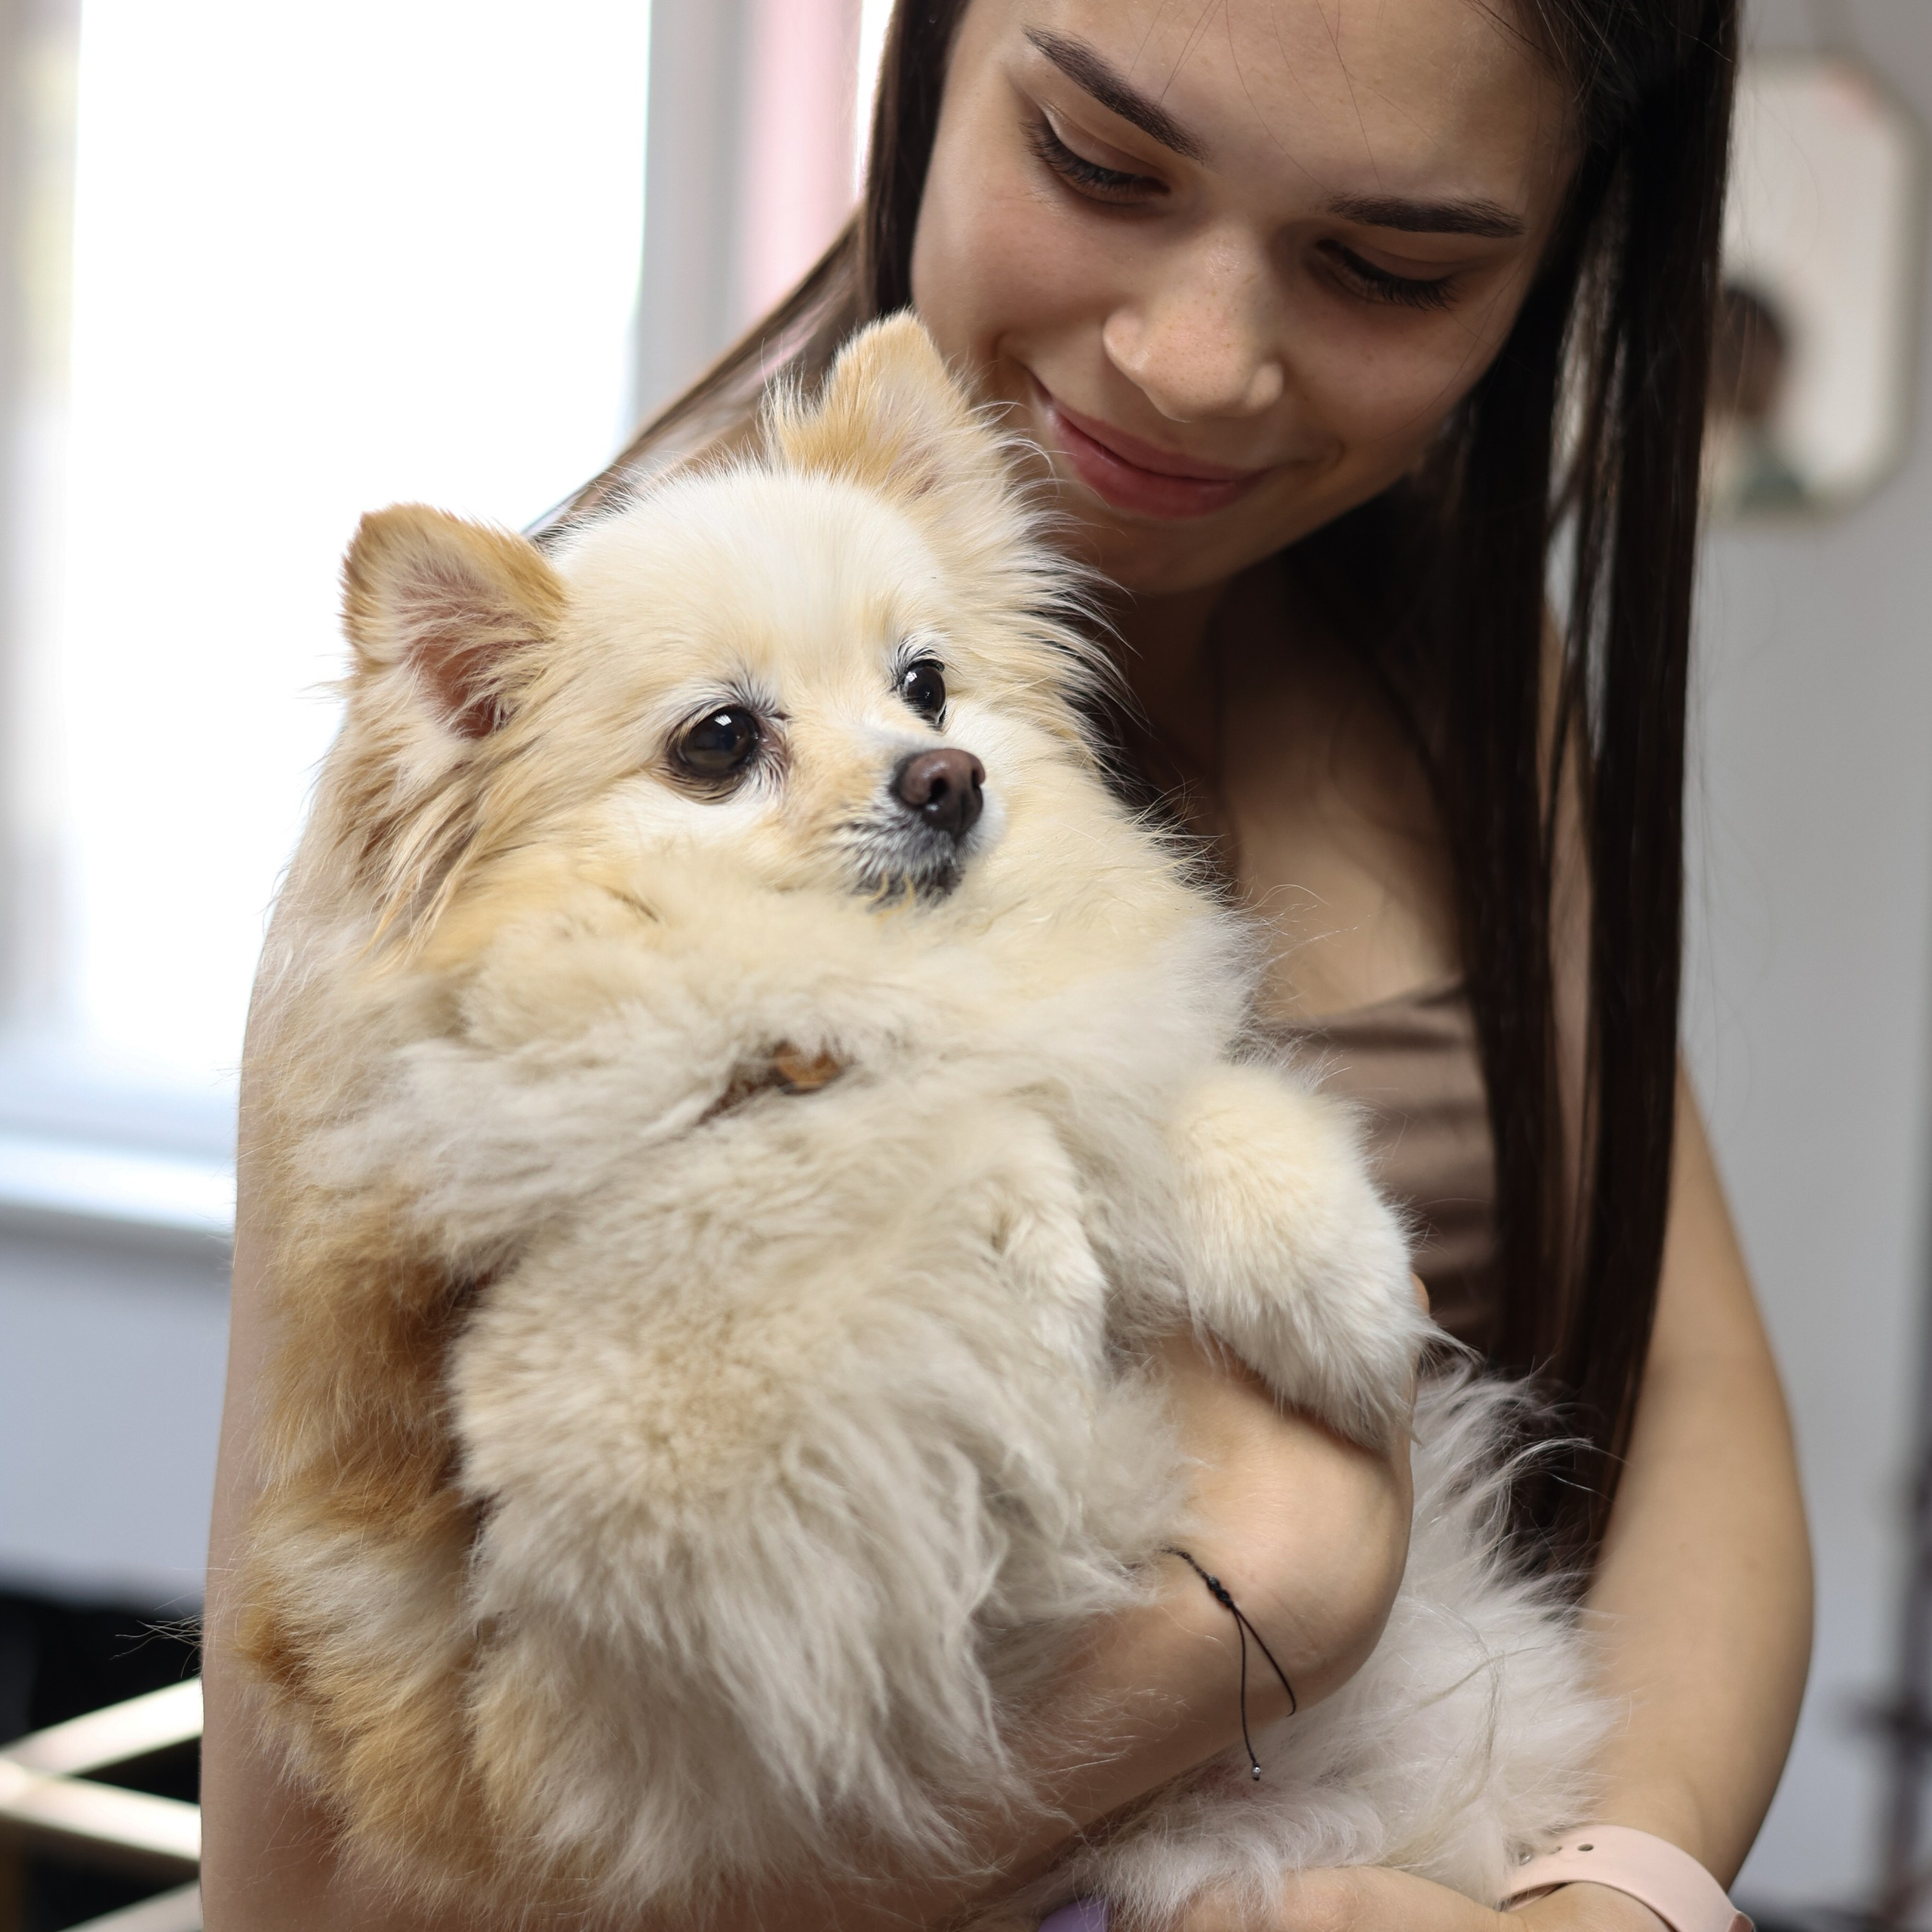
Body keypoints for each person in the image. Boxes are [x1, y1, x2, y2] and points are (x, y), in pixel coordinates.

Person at [198, 0, 1814, 1926]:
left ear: (1559, 259)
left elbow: (1695, 1392)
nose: (1189, 363)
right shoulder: (485, 836)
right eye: (1097, 162)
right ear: (924, 62)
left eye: (1386, 263)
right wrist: (1251, 1611)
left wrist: (1614, 1894)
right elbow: (315, 1872)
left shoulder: (1469, 678)